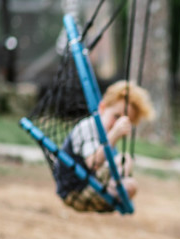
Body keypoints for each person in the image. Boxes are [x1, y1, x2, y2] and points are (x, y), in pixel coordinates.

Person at [54, 80, 155, 212]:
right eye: (116, 116)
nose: (119, 124)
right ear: (102, 108)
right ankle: (116, 193)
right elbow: (93, 163)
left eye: (125, 121)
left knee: (127, 163)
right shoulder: (89, 127)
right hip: (75, 191)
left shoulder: (106, 133)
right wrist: (114, 135)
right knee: (129, 182)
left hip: (93, 186)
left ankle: (117, 193)